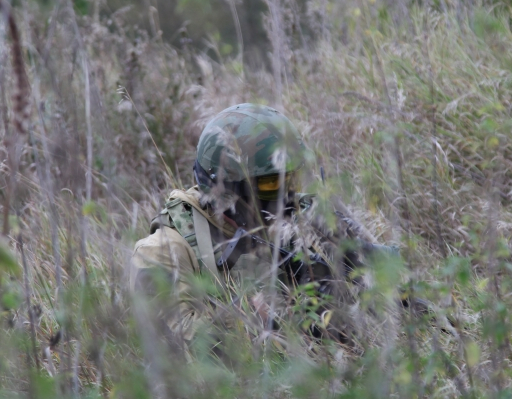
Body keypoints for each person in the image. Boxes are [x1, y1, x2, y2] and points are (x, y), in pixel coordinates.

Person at [129, 103, 396, 350]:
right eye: (271, 185)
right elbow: (174, 349)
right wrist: (260, 321)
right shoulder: (161, 252)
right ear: (228, 190)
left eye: (292, 181)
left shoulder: (301, 224)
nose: (288, 198)